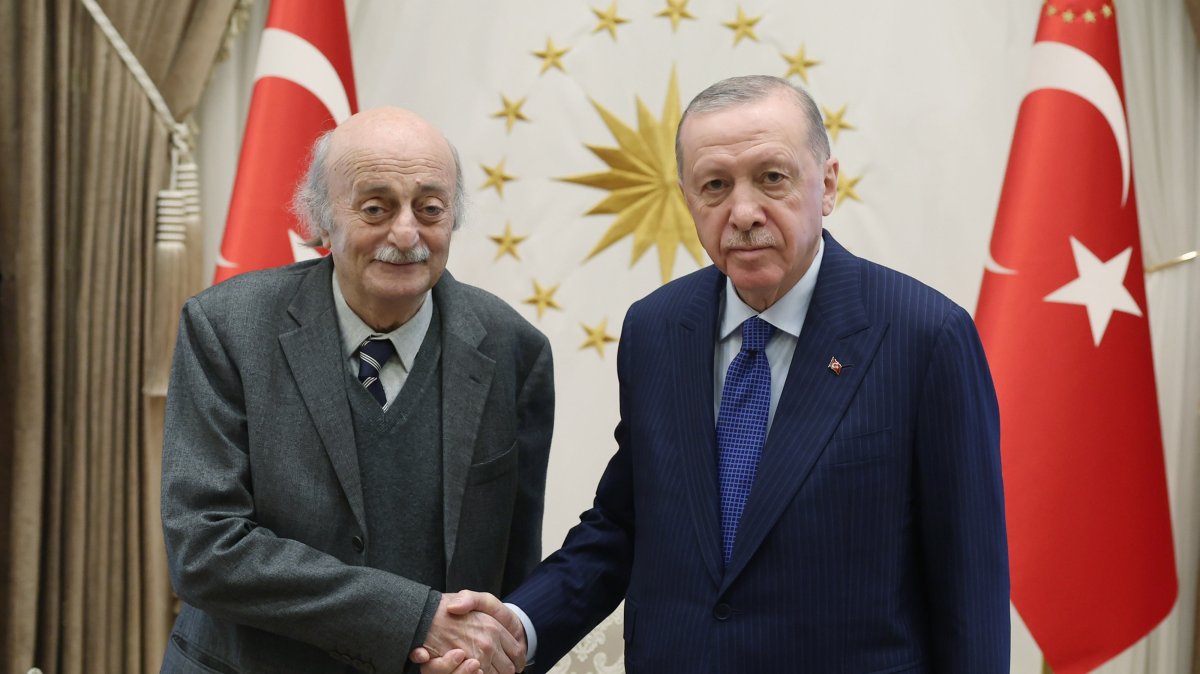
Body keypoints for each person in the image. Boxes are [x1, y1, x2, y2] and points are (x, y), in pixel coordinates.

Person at [417, 75, 1009, 673]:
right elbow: (626, 524)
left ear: (827, 185)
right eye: (716, 186)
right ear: (688, 198)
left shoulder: (925, 336)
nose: (743, 212)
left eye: (772, 178)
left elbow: (969, 582)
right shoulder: (657, 329)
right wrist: (518, 629)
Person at [159, 107, 553, 674]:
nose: (406, 234)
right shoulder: (225, 328)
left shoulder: (515, 350)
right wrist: (414, 619)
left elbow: (514, 574)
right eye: (376, 207)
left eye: (430, 208)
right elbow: (204, 550)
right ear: (320, 220)